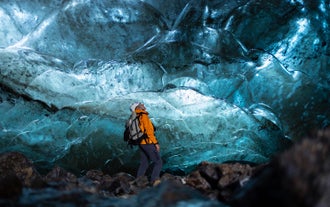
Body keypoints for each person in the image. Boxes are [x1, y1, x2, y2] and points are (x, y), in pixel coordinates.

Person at [129, 102, 162, 186]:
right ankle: (154, 180)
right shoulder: (143, 115)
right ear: (138, 107)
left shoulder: (135, 116)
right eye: (141, 104)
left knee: (144, 163)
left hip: (141, 142)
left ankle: (138, 180)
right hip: (148, 142)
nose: (143, 104)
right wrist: (156, 143)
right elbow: (149, 131)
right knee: (158, 162)